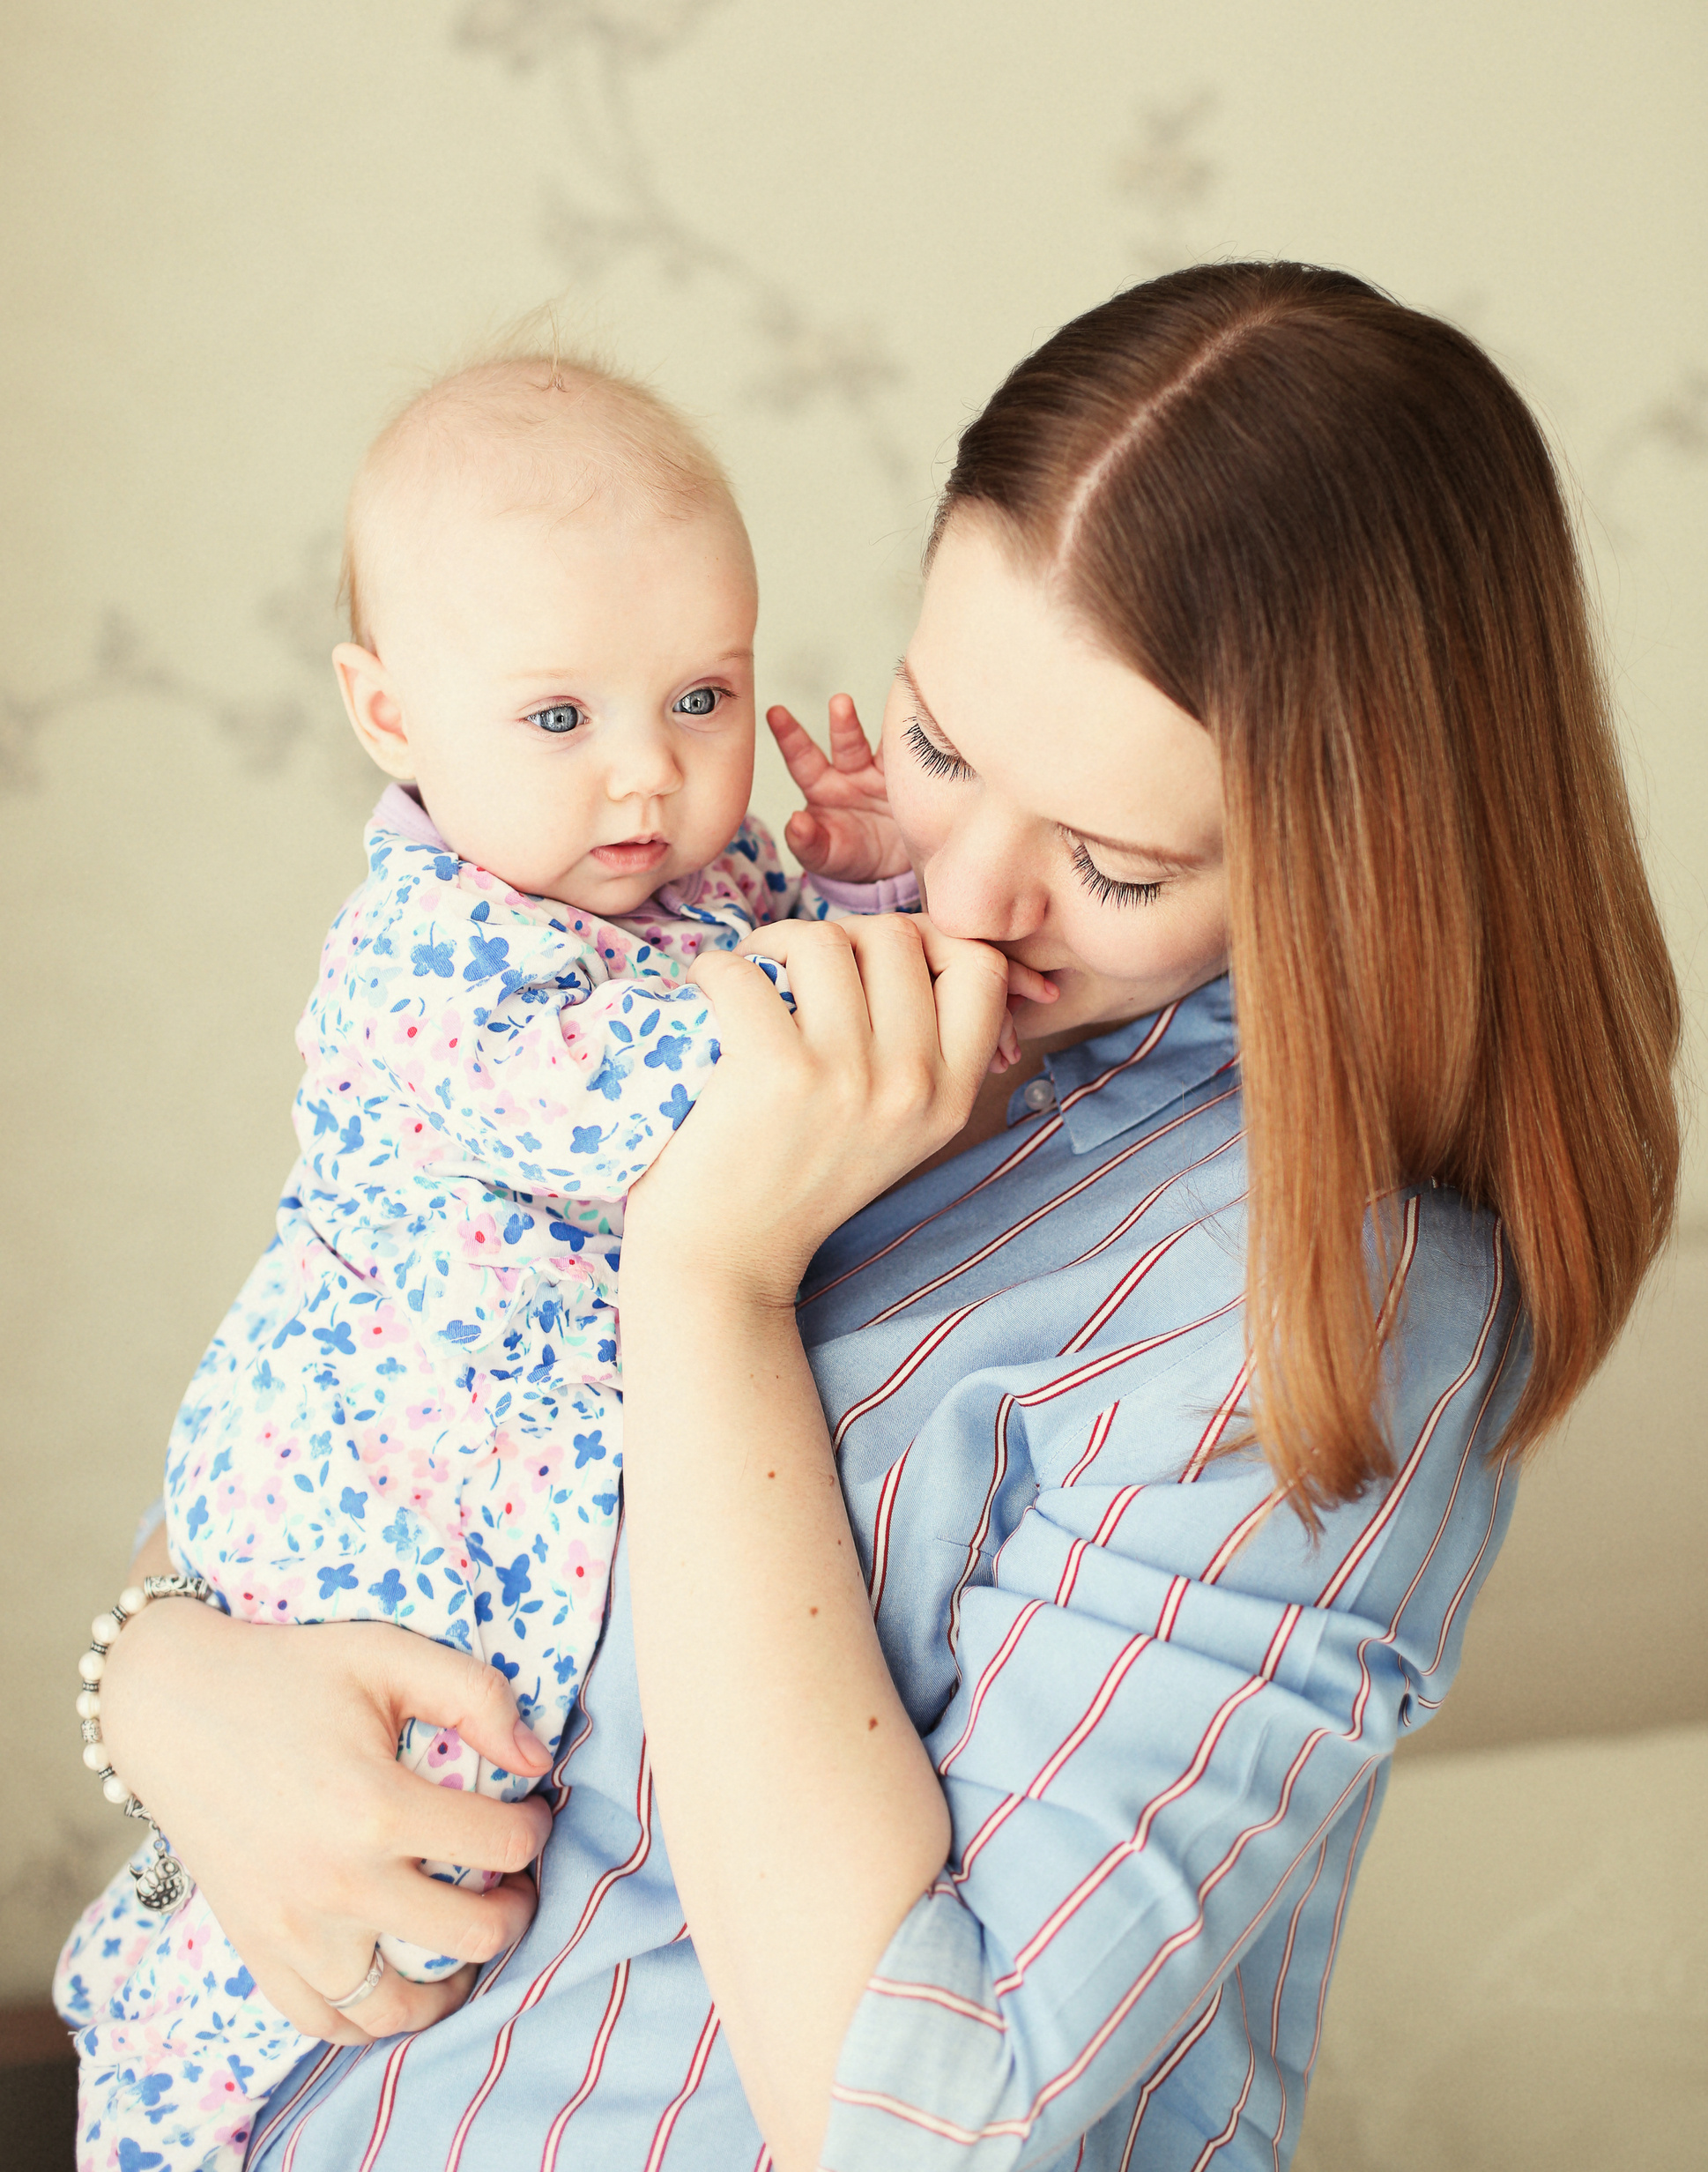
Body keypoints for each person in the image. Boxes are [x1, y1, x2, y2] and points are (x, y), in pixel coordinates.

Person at [82, 264, 1681, 2172]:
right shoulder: (775, 961)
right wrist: (162, 1678)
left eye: (1113, 861)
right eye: (939, 746)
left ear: (1359, 861)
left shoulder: (1318, 1296)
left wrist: (710, 1284)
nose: (969, 897)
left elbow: (928, 2120)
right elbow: (386, 1385)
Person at [55, 353, 1037, 2172]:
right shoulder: (428, 948)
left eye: (700, 696)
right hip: (383, 1459)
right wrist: (867, 985)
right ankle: (167, 2099)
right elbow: (671, 1097)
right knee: (347, 1849)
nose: (647, 771)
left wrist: (867, 887)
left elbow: (794, 1015)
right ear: (390, 713)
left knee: (450, 1852)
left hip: (521, 1456)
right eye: (560, 714)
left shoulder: (702, 886)